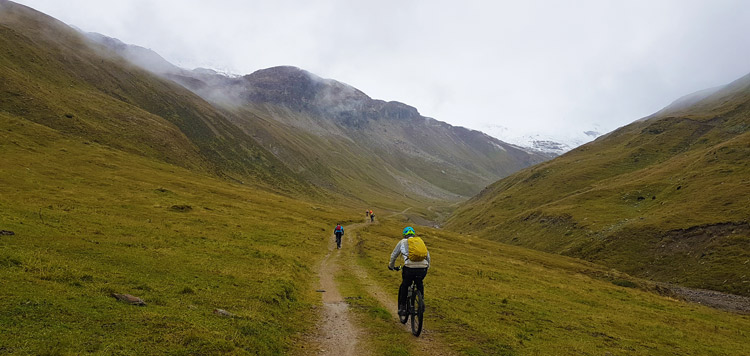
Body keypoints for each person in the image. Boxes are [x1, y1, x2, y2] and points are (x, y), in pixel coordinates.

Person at [388, 226, 430, 316]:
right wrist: (427, 267)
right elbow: (427, 256)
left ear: (404, 235)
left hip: (409, 268)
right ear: (413, 234)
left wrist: (391, 266)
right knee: (419, 283)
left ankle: (402, 307)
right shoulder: (419, 241)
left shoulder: (402, 242)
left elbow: (394, 255)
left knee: (405, 285)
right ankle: (421, 303)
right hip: (423, 268)